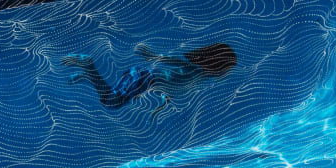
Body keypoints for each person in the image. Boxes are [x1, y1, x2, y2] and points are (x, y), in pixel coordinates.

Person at [62, 43, 237, 118]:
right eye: (228, 69)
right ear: (218, 66)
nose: (228, 73)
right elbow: (175, 62)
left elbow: (173, 89)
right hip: (144, 79)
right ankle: (88, 65)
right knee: (111, 102)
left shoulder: (200, 81)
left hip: (144, 81)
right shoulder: (197, 72)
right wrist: (153, 56)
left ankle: (86, 76)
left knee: (111, 98)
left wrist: (159, 109)